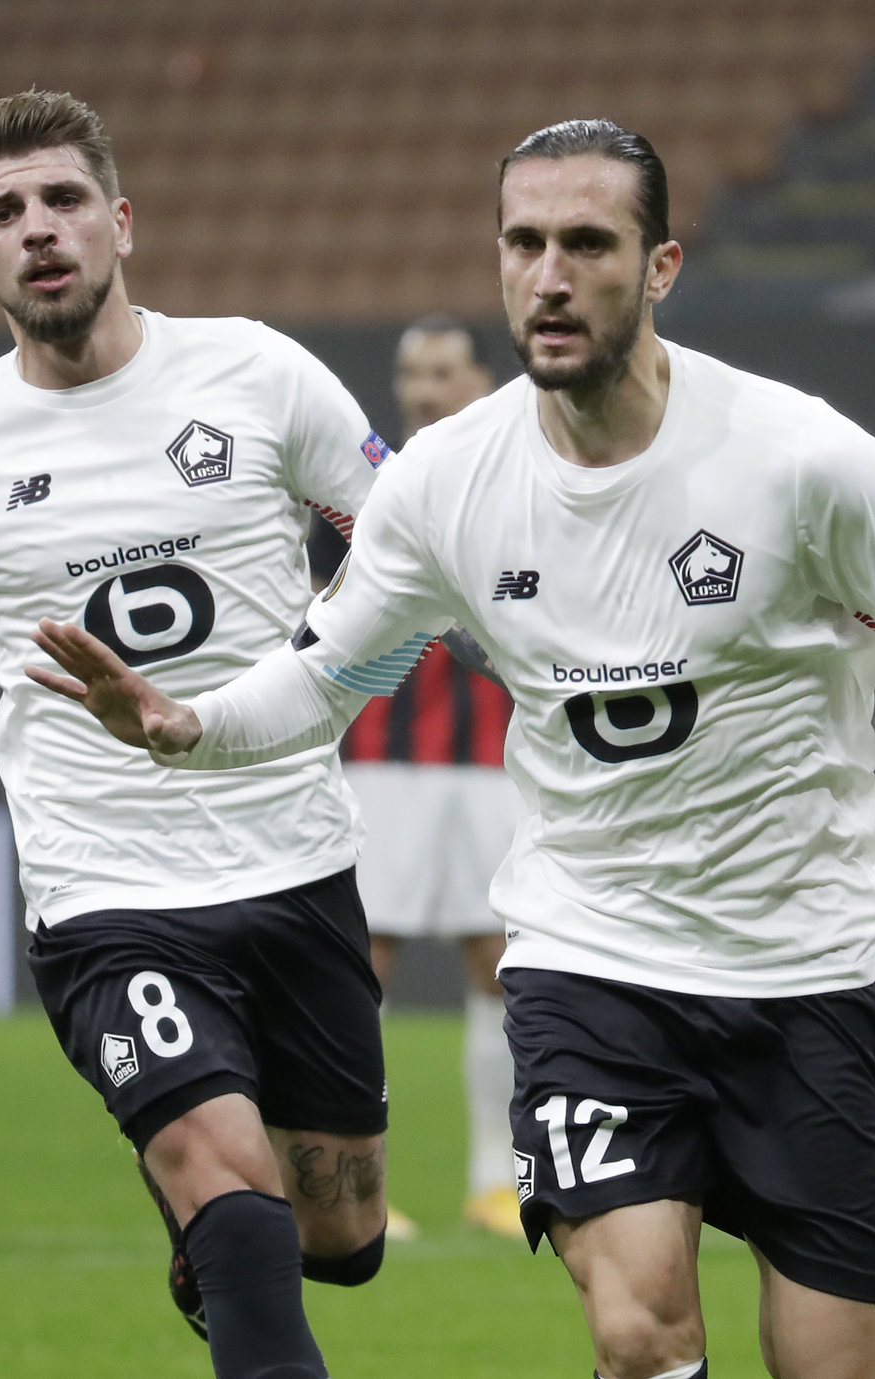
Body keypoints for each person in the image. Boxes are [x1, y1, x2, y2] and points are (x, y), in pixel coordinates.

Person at [27, 119, 875, 1379]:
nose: (548, 277)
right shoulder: (444, 479)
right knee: (639, 1329)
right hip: (589, 961)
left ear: (659, 268)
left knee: (850, 1364)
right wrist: (191, 725)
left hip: (801, 969)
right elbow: (328, 674)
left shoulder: (801, 458)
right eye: (523, 242)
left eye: (587, 244)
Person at [0, 91, 394, 1379]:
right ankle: (205, 1202)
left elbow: (406, 548)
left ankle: (206, 1233)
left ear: (121, 221)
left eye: (63, 199)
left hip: (294, 856)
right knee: (228, 1180)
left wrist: (323, 665)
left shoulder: (258, 372)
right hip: (105, 889)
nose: (39, 227)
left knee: (339, 1235)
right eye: (6, 211)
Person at [342, 317, 520, 1238]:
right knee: (358, 966)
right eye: (411, 372)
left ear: (483, 379)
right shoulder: (362, 487)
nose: (423, 388)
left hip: (495, 764)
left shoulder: (526, 474)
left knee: (499, 963)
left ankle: (497, 1180)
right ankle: (354, 1183)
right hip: (379, 763)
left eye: (443, 370)